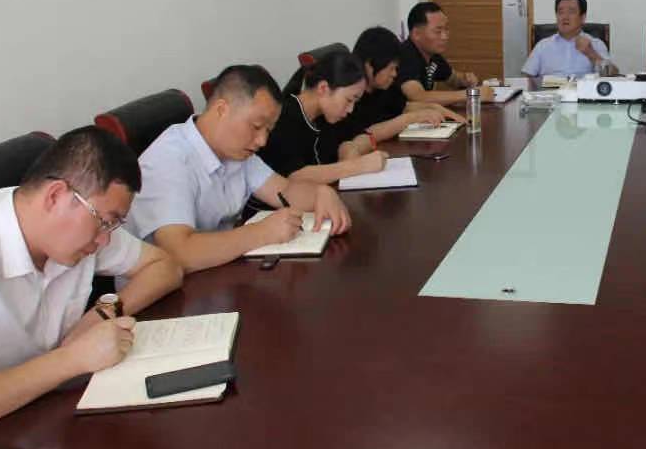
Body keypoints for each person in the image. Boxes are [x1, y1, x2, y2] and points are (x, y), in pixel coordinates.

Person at [0, 127, 182, 420]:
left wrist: (102, 313)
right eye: (105, 222)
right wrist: (72, 359)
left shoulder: (82, 227)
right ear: (55, 196)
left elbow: (165, 266)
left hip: (54, 410)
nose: (105, 240)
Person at [125, 65, 352, 274]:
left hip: (216, 273)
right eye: (256, 126)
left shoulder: (235, 151)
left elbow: (285, 191)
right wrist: (261, 232)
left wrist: (321, 193)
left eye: (268, 130)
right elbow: (180, 254)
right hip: (165, 294)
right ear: (221, 109)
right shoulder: (169, 160)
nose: (262, 141)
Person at [319, 27, 464, 163]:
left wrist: (436, 109)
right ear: (370, 65)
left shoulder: (384, 87)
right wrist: (411, 118)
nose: (394, 74)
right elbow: (365, 134)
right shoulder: (349, 96)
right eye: (391, 68)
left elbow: (403, 106)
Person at [256, 51, 388, 184]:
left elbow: (365, 136)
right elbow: (295, 176)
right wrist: (356, 166)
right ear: (323, 88)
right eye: (349, 100)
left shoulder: (329, 114)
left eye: (355, 102)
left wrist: (350, 147)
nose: (350, 109)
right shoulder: (283, 117)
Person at [397, 2, 494, 107]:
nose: (445, 37)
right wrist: (471, 94)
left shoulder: (433, 55)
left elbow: (453, 78)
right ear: (416, 34)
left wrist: (465, 79)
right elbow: (419, 97)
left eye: (446, 29)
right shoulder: (405, 55)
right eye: (438, 31)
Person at [521, 0, 617, 78]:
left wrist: (591, 53)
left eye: (571, 12)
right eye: (561, 12)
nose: (565, 17)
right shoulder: (543, 46)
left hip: (582, 91)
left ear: (582, 18)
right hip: (550, 91)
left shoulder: (595, 44)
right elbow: (526, 77)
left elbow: (611, 75)